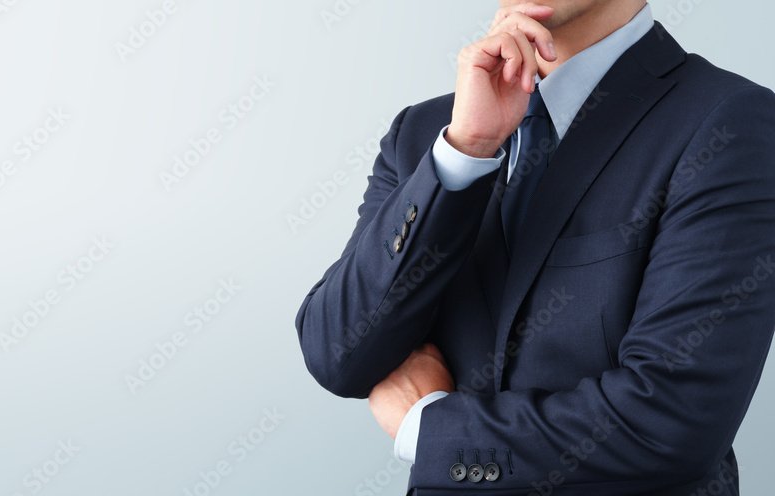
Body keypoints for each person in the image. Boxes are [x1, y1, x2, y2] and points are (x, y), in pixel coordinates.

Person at [294, 1, 775, 494]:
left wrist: (429, 428)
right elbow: (337, 354)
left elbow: (672, 421)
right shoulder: (429, 132)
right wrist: (464, 153)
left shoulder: (730, 122)